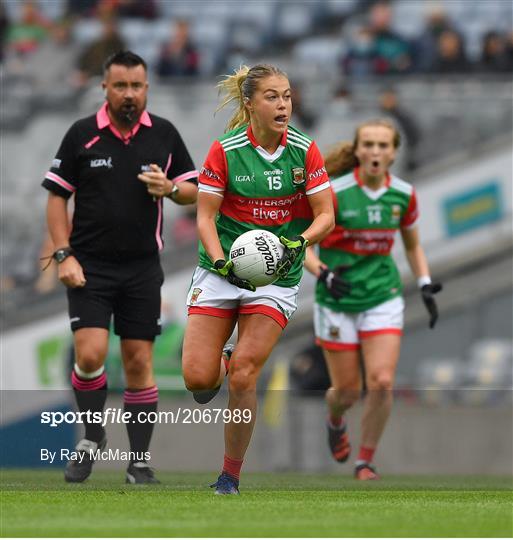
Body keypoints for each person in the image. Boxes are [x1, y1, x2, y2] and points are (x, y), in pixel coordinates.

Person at [41, 50, 198, 484]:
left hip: (142, 267)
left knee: (137, 361)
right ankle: (92, 435)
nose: (129, 94)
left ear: (147, 88)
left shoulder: (164, 134)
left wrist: (170, 189)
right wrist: (62, 254)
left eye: (137, 86)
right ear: (104, 88)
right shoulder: (81, 134)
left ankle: (139, 462)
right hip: (88, 267)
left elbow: (194, 190)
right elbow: (57, 197)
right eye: (121, 86)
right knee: (90, 355)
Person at [181, 64, 334, 495]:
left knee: (245, 376)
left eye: (286, 95)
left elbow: (326, 216)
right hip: (222, 269)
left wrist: (296, 245)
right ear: (250, 103)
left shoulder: (305, 150)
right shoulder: (225, 150)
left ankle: (229, 476)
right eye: (272, 96)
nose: (283, 104)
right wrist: (221, 261)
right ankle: (222, 359)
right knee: (197, 378)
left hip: (277, 274)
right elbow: (206, 217)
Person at [304, 119, 442, 480]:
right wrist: (323, 273)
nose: (376, 152)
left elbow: (412, 245)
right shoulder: (334, 192)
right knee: (347, 393)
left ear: (394, 153)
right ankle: (335, 419)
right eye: (369, 144)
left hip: (382, 295)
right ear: (358, 149)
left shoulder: (404, 195)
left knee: (381, 382)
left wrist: (425, 282)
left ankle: (365, 461)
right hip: (337, 299)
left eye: (383, 146)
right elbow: (300, 244)